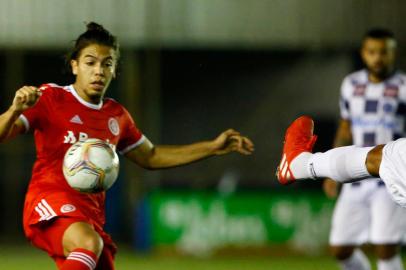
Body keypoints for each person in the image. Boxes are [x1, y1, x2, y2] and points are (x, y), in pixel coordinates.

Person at [0, 22, 254, 270]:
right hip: (49, 204)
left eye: (106, 64)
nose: (98, 71)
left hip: (90, 215)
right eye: (90, 62)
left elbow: (151, 156)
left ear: (113, 70)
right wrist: (14, 110)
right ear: (74, 66)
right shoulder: (50, 98)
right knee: (88, 244)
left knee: (95, 252)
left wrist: (212, 147)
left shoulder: (117, 116)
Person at [322, 28, 406, 270]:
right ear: (363, 53)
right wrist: (331, 169)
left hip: (389, 175)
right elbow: (345, 128)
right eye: (372, 52)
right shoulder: (350, 84)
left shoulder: (402, 86)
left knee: (386, 248)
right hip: (355, 177)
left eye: (383, 52)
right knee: (340, 248)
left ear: (393, 53)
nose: (377, 58)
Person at [277, 115, 406, 270]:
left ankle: (301, 164)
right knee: (382, 158)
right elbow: (346, 130)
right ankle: (300, 164)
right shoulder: (351, 92)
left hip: (381, 188)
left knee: (382, 158)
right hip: (360, 187)